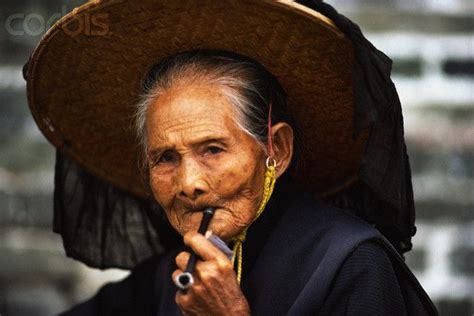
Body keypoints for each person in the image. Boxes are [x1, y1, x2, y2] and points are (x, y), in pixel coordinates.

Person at [24, 1, 438, 315]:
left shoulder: (350, 265)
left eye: (213, 149)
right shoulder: (172, 277)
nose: (188, 183)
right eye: (165, 158)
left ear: (276, 149)